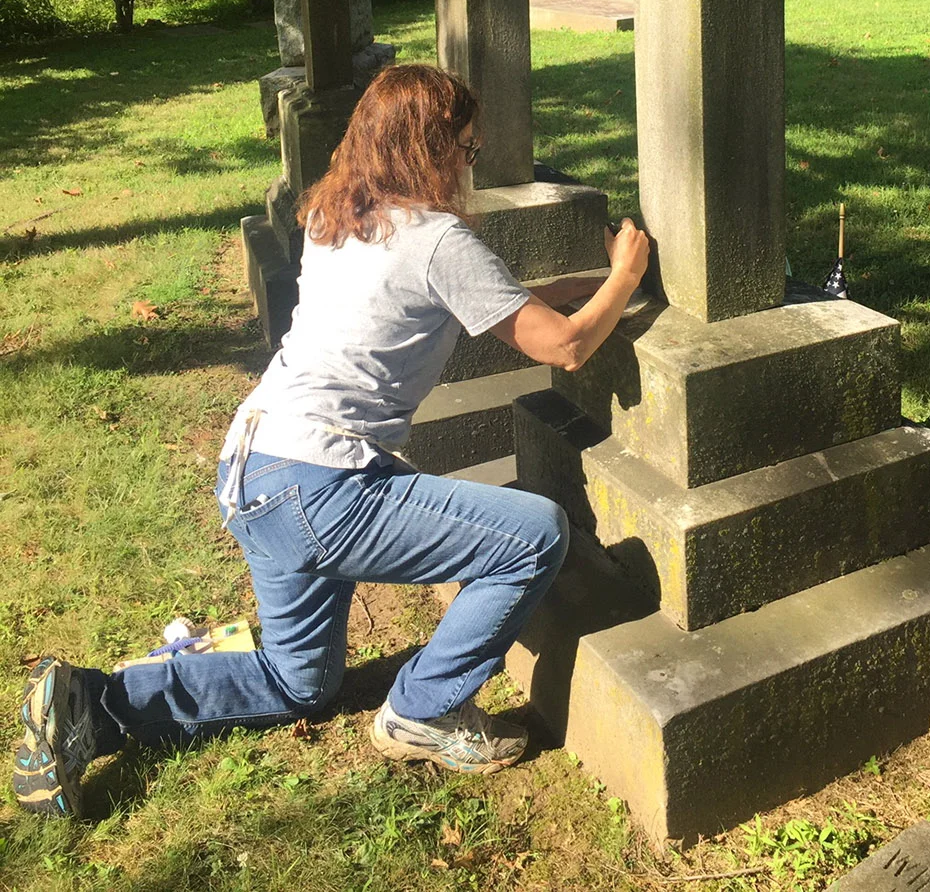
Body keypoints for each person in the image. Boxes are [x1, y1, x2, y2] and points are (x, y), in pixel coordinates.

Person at [13, 63, 650, 817]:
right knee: (533, 534)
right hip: (321, 487)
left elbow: (487, 307)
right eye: (467, 149)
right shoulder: (438, 239)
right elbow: (565, 349)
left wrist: (582, 288)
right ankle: (423, 710)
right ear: (432, 148)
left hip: (254, 467)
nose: (469, 166)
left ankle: (91, 703)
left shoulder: (337, 217)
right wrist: (626, 272)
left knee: (298, 684)